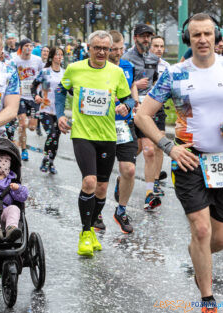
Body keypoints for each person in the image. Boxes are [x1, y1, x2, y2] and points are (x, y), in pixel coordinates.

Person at [135, 13, 223, 313]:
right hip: (188, 159)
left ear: (216, 37)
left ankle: (198, 252)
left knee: (218, 237)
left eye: (207, 34)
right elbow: (142, 115)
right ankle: (208, 299)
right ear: (188, 39)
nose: (202, 40)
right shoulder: (175, 74)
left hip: (222, 161)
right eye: (196, 34)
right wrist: (169, 147)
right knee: (201, 230)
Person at [55, 30, 134, 256]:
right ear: (88, 48)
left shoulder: (117, 72)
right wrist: (60, 114)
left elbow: (128, 97)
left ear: (110, 50)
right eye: (96, 47)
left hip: (108, 136)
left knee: (101, 188)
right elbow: (61, 89)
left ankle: (91, 229)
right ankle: (85, 232)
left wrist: (125, 106)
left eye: (105, 48)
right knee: (89, 182)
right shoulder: (75, 69)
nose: (101, 52)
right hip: (82, 134)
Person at [94, 30, 137, 234]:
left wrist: (130, 105)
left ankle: (121, 210)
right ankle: (97, 210)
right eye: (114, 50)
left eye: (121, 49)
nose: (119, 53)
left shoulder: (128, 66)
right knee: (99, 176)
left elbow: (132, 89)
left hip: (124, 126)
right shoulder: (98, 68)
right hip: (101, 127)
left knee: (128, 170)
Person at [122, 23, 163, 211]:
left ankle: (149, 194)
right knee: (137, 148)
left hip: (146, 111)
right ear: (135, 37)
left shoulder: (153, 59)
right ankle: (123, 175)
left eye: (149, 36)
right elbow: (122, 87)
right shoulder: (126, 59)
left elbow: (155, 83)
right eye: (143, 36)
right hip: (131, 109)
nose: (146, 39)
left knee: (149, 150)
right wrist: (136, 85)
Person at [31, 46, 65, 174]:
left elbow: (70, 90)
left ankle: (51, 162)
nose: (59, 57)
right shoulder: (45, 72)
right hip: (45, 109)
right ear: (51, 56)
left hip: (59, 111)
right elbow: (34, 86)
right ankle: (46, 160)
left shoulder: (65, 72)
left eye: (61, 54)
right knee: (52, 134)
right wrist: (36, 96)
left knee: (56, 138)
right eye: (57, 54)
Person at [11, 38, 44, 161]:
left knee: (32, 127)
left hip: (33, 96)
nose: (29, 48)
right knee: (23, 124)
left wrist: (41, 92)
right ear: (21, 47)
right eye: (26, 46)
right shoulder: (15, 60)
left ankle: (22, 143)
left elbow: (43, 76)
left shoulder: (38, 60)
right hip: (20, 97)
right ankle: (24, 150)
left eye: (31, 46)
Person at [149, 35, 171, 197]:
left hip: (160, 110)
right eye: (155, 46)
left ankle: (155, 182)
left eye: (161, 46)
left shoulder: (167, 67)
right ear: (150, 47)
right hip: (142, 109)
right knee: (143, 148)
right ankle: (125, 172)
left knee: (159, 145)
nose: (159, 49)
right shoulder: (143, 64)